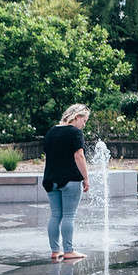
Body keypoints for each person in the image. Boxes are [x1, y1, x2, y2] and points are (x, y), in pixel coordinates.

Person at [41, 104, 90, 262]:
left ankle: (55, 251)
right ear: (76, 117)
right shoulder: (75, 133)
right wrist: (86, 177)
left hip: (50, 179)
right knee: (69, 215)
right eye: (84, 120)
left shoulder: (51, 132)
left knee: (55, 215)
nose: (84, 124)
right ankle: (69, 251)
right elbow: (79, 156)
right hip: (70, 180)